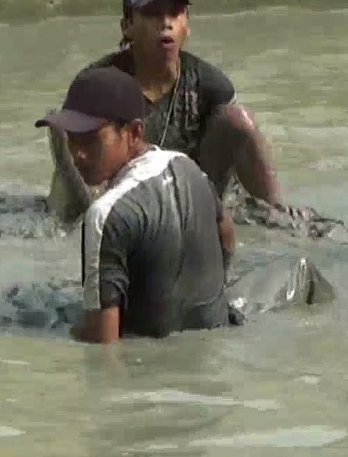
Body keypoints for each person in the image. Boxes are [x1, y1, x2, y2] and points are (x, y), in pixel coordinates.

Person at [44, 0, 339, 237]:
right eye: (152, 13)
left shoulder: (210, 85)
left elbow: (230, 173)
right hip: (113, 196)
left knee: (238, 119)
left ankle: (283, 222)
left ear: (187, 25)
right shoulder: (97, 84)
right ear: (128, 26)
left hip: (187, 196)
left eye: (175, 12)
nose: (166, 23)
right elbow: (82, 164)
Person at [35, 66, 239, 343]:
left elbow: (102, 345)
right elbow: (225, 230)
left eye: (92, 139)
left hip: (150, 370)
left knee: (31, 309)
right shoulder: (189, 168)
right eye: (72, 140)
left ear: (133, 131)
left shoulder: (104, 214)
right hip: (213, 352)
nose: (78, 154)